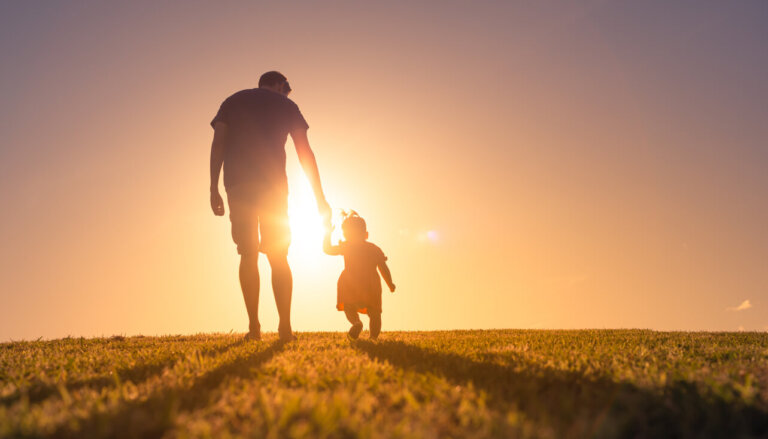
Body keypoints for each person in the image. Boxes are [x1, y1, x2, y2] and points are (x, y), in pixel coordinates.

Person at [209, 71, 330, 342]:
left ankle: (254, 328)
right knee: (278, 256)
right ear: (279, 85)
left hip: (238, 186)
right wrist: (319, 198)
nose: (287, 93)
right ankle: (285, 327)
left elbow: (218, 144)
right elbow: (304, 153)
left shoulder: (232, 101)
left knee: (247, 254)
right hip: (273, 187)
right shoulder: (287, 106)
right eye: (286, 88)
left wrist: (213, 187)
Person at [323, 211, 395, 340]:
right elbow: (383, 268)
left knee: (349, 307)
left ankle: (356, 323)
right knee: (375, 313)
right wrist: (390, 283)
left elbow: (327, 249)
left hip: (350, 283)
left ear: (345, 235)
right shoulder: (374, 248)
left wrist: (327, 232)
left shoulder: (346, 246)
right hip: (371, 286)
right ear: (366, 234)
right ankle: (373, 337)